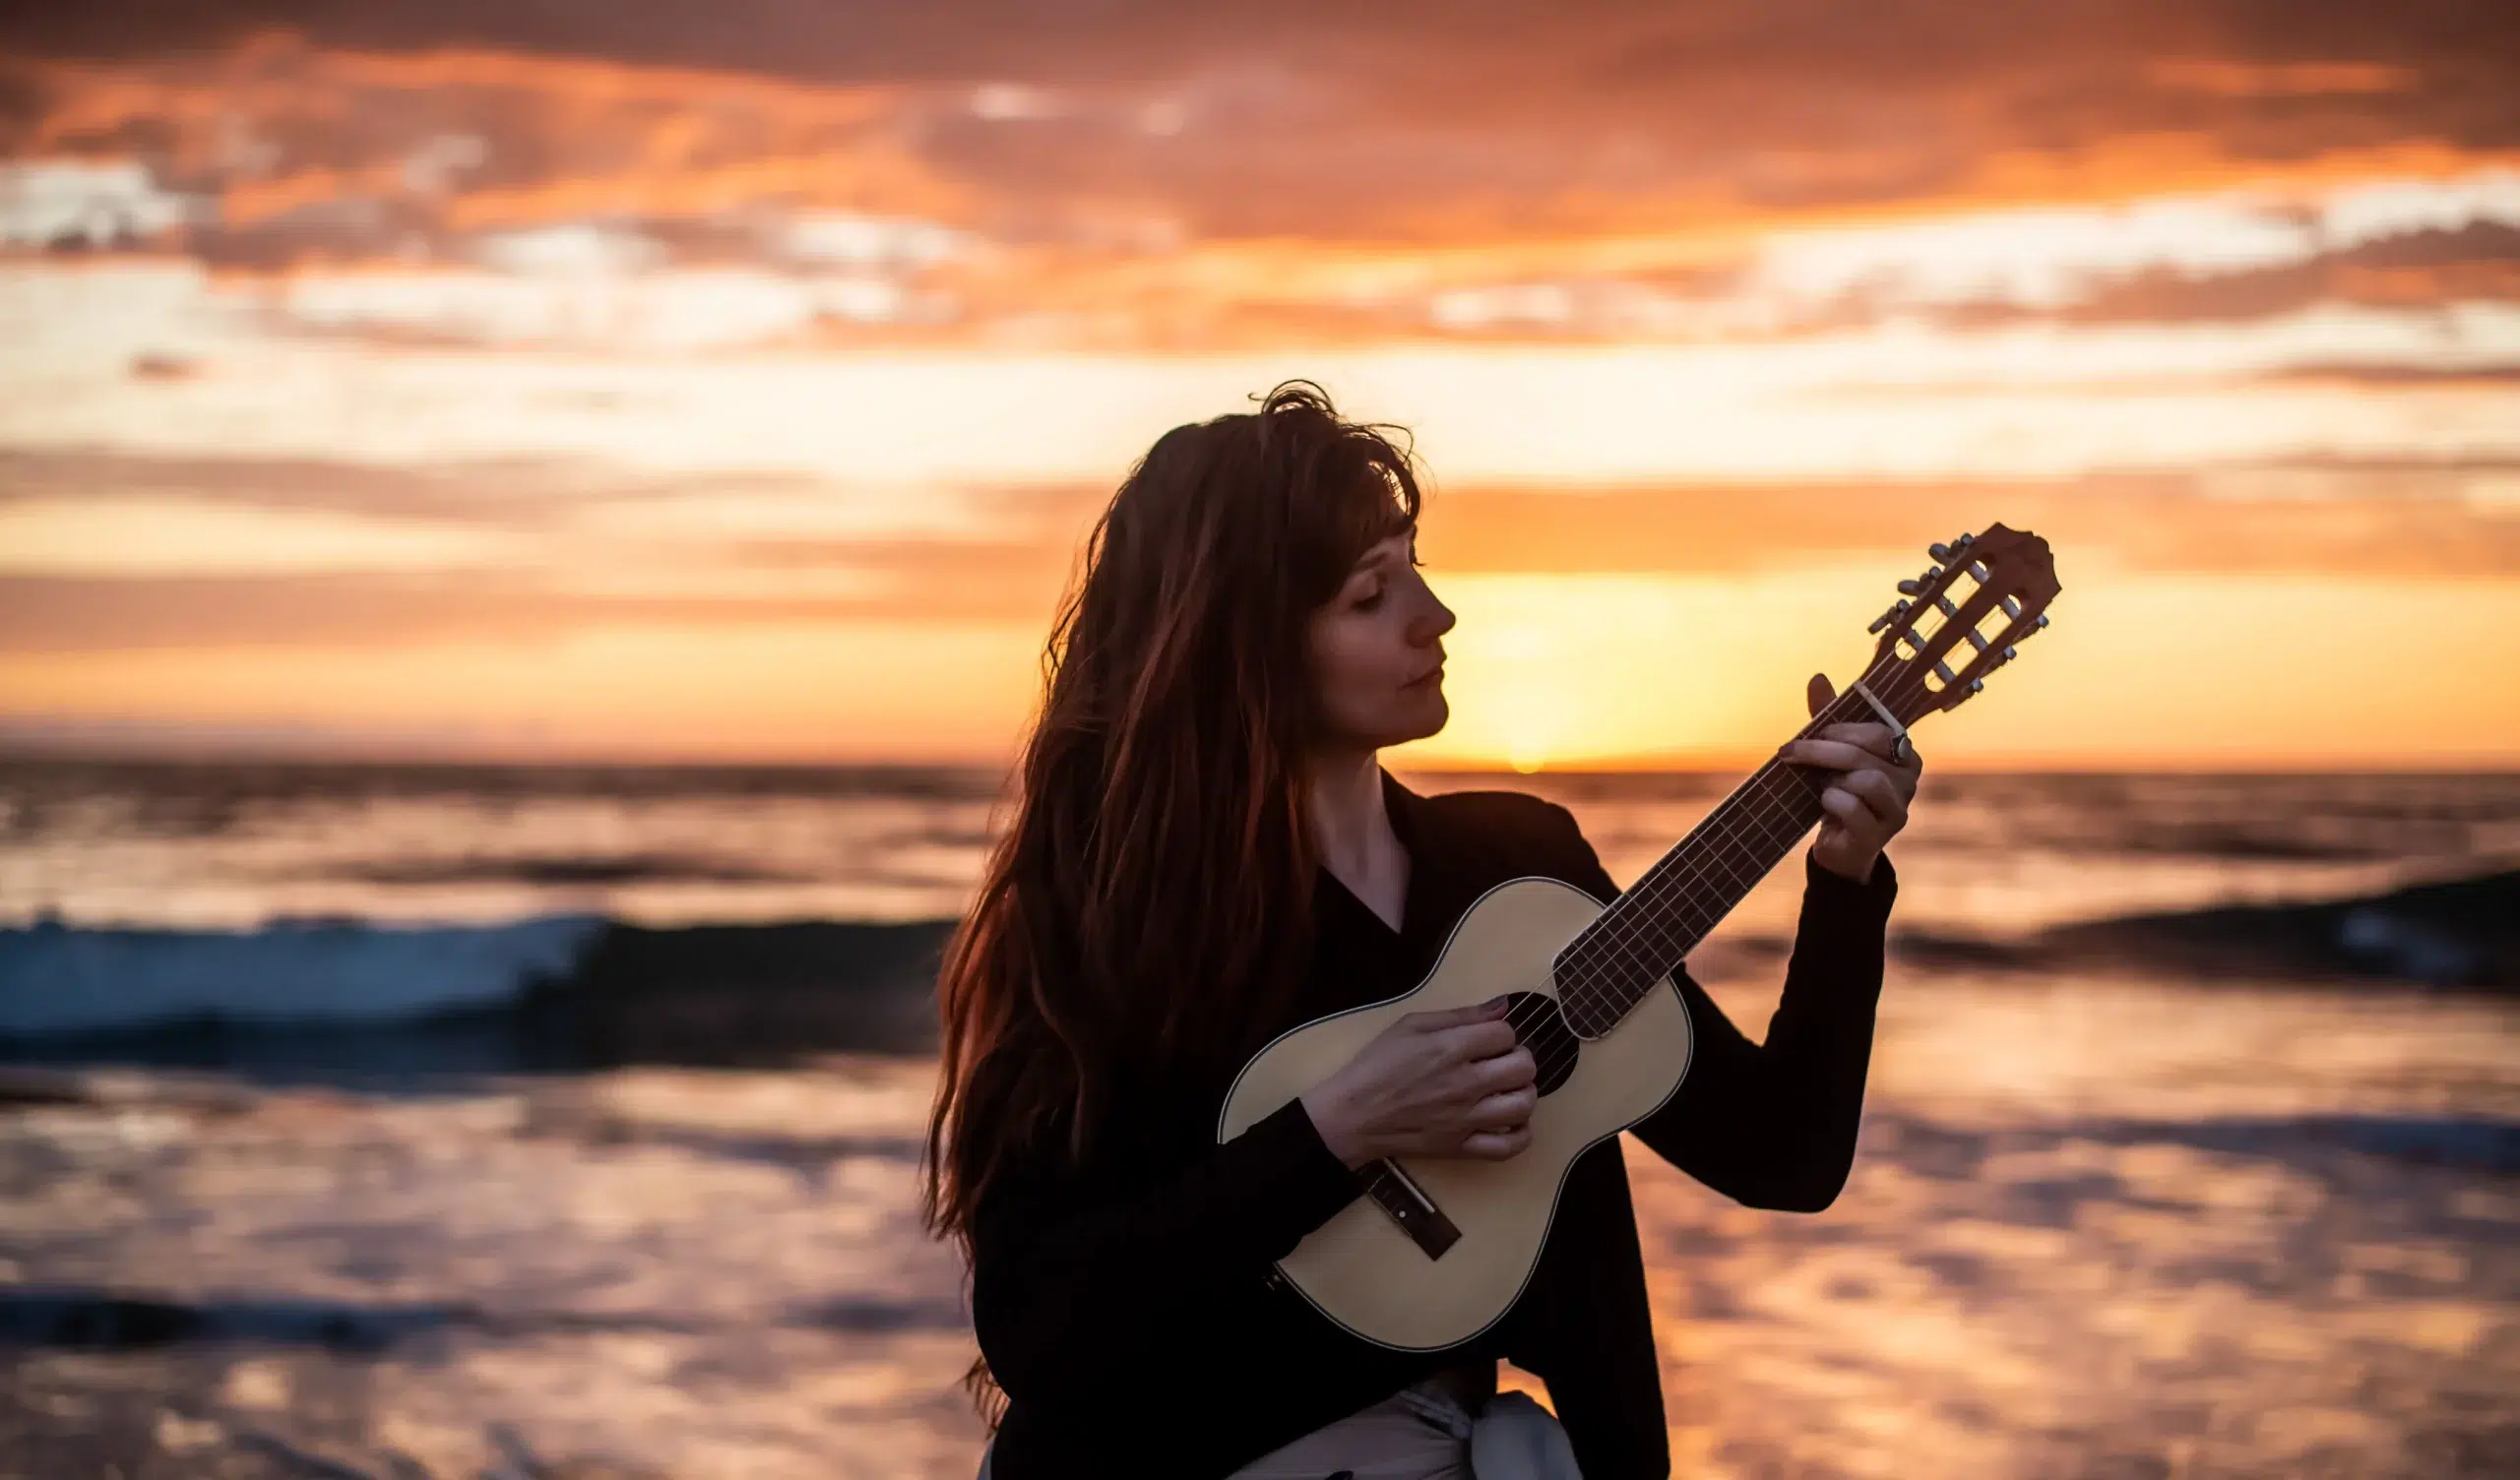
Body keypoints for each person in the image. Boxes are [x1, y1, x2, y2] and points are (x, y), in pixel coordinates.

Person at [921, 383, 1921, 1479]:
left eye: (1414, 566)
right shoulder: (1119, 914)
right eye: (1369, 594)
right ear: (1246, 644)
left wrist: (1843, 881)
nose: (1433, 615)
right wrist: (1338, 1127)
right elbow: (1038, 1323)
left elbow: (1783, 1153)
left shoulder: (1516, 868)